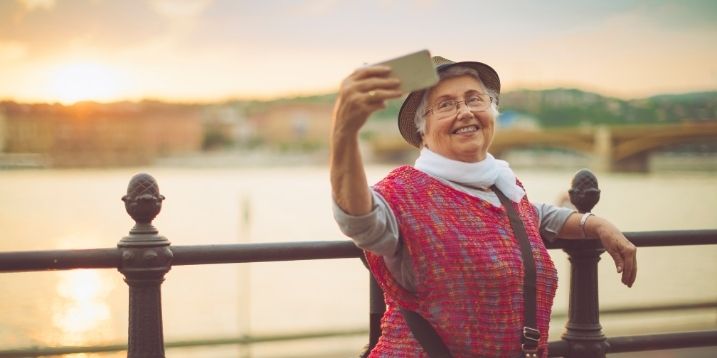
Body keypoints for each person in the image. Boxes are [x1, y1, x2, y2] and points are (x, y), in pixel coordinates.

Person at [330, 55, 637, 357]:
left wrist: (594, 224)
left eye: (475, 99)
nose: (464, 112)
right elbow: (360, 220)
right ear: (422, 130)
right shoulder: (404, 193)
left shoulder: (504, 186)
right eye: (446, 105)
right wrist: (344, 133)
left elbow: (533, 215)